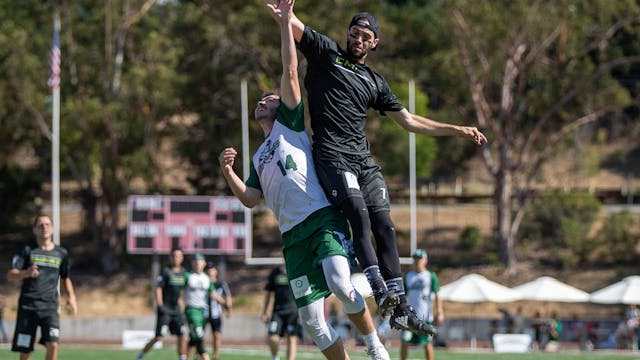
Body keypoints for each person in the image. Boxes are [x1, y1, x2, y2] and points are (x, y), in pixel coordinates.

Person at [286, 2, 487, 334]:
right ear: (348, 34)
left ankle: (401, 307)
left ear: (374, 42)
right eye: (354, 33)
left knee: (386, 226)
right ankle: (379, 291)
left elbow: (408, 121)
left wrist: (456, 129)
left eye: (366, 36)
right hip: (332, 155)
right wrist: (283, 12)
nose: (358, 39)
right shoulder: (326, 54)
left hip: (363, 162)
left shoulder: (375, 81)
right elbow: (294, 25)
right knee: (358, 214)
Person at [219, 1, 390, 358]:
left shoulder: (291, 123)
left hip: (322, 219)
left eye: (270, 97)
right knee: (312, 322)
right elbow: (250, 199)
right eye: (263, 99)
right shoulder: (259, 156)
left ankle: (374, 345)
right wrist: (229, 173)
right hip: (292, 236)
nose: (264, 100)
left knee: (342, 285)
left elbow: (291, 69)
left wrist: (285, 25)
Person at [7, 214, 78, 360]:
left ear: (52, 228)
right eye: (40, 225)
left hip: (50, 308)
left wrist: (71, 297)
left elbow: (65, 277)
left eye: (47, 225)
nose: (44, 228)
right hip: (28, 307)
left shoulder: (61, 253)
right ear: (34, 230)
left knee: (53, 344)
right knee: (25, 350)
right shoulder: (27, 250)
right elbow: (11, 275)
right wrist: (25, 273)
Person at [136, 248, 187, 360]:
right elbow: (158, 288)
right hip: (166, 309)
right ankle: (140, 356)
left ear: (182, 258)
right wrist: (160, 305)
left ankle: (182, 358)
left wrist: (182, 305)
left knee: (182, 335)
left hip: (177, 310)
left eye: (179, 256)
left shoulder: (183, 272)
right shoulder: (165, 271)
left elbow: (182, 291)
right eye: (174, 256)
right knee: (159, 337)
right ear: (170, 257)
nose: (176, 258)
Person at [400, 250, 444, 360]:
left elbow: (437, 294)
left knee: (427, 343)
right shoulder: (409, 276)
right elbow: (403, 295)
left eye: (419, 259)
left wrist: (439, 311)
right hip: (410, 317)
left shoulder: (430, 276)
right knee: (405, 341)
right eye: (415, 259)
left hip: (425, 317)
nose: (417, 261)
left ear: (425, 260)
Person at [184, 253, 225, 360]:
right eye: (196, 261)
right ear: (192, 263)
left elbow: (213, 293)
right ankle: (206, 357)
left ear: (204, 263)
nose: (198, 263)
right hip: (192, 310)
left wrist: (224, 303)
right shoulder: (188, 276)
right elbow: (179, 292)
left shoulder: (206, 278)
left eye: (200, 261)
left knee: (193, 338)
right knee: (199, 336)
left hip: (202, 312)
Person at [261, 267, 300, 360]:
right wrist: (265, 311)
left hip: (292, 312)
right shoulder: (275, 272)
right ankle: (275, 357)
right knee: (272, 337)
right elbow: (268, 292)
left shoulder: (296, 269)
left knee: (292, 339)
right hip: (277, 312)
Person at [205, 262, 232, 360]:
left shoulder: (221, 283)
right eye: (208, 269)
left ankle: (215, 356)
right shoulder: (203, 282)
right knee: (199, 336)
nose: (209, 271)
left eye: (212, 269)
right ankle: (199, 354)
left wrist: (228, 309)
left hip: (216, 314)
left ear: (215, 271)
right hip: (203, 313)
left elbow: (228, 295)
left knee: (217, 335)